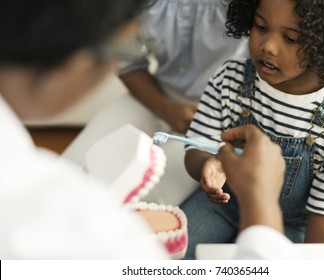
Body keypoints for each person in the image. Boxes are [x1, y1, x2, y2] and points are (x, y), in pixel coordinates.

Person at [0, 0, 296, 259]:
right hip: (159, 100)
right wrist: (261, 206)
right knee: (85, 165)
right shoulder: (109, 247)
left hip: (223, 118)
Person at [181, 0, 324, 259]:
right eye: (261, 26)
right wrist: (207, 166)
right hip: (222, 205)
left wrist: (304, 266)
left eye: (291, 38)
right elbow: (194, 150)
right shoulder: (229, 79)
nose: (268, 46)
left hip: (286, 226)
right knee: (168, 254)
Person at [62, 0, 248, 206]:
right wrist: (165, 108)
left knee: (151, 199)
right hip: (155, 96)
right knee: (73, 166)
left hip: (220, 115)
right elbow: (126, 60)